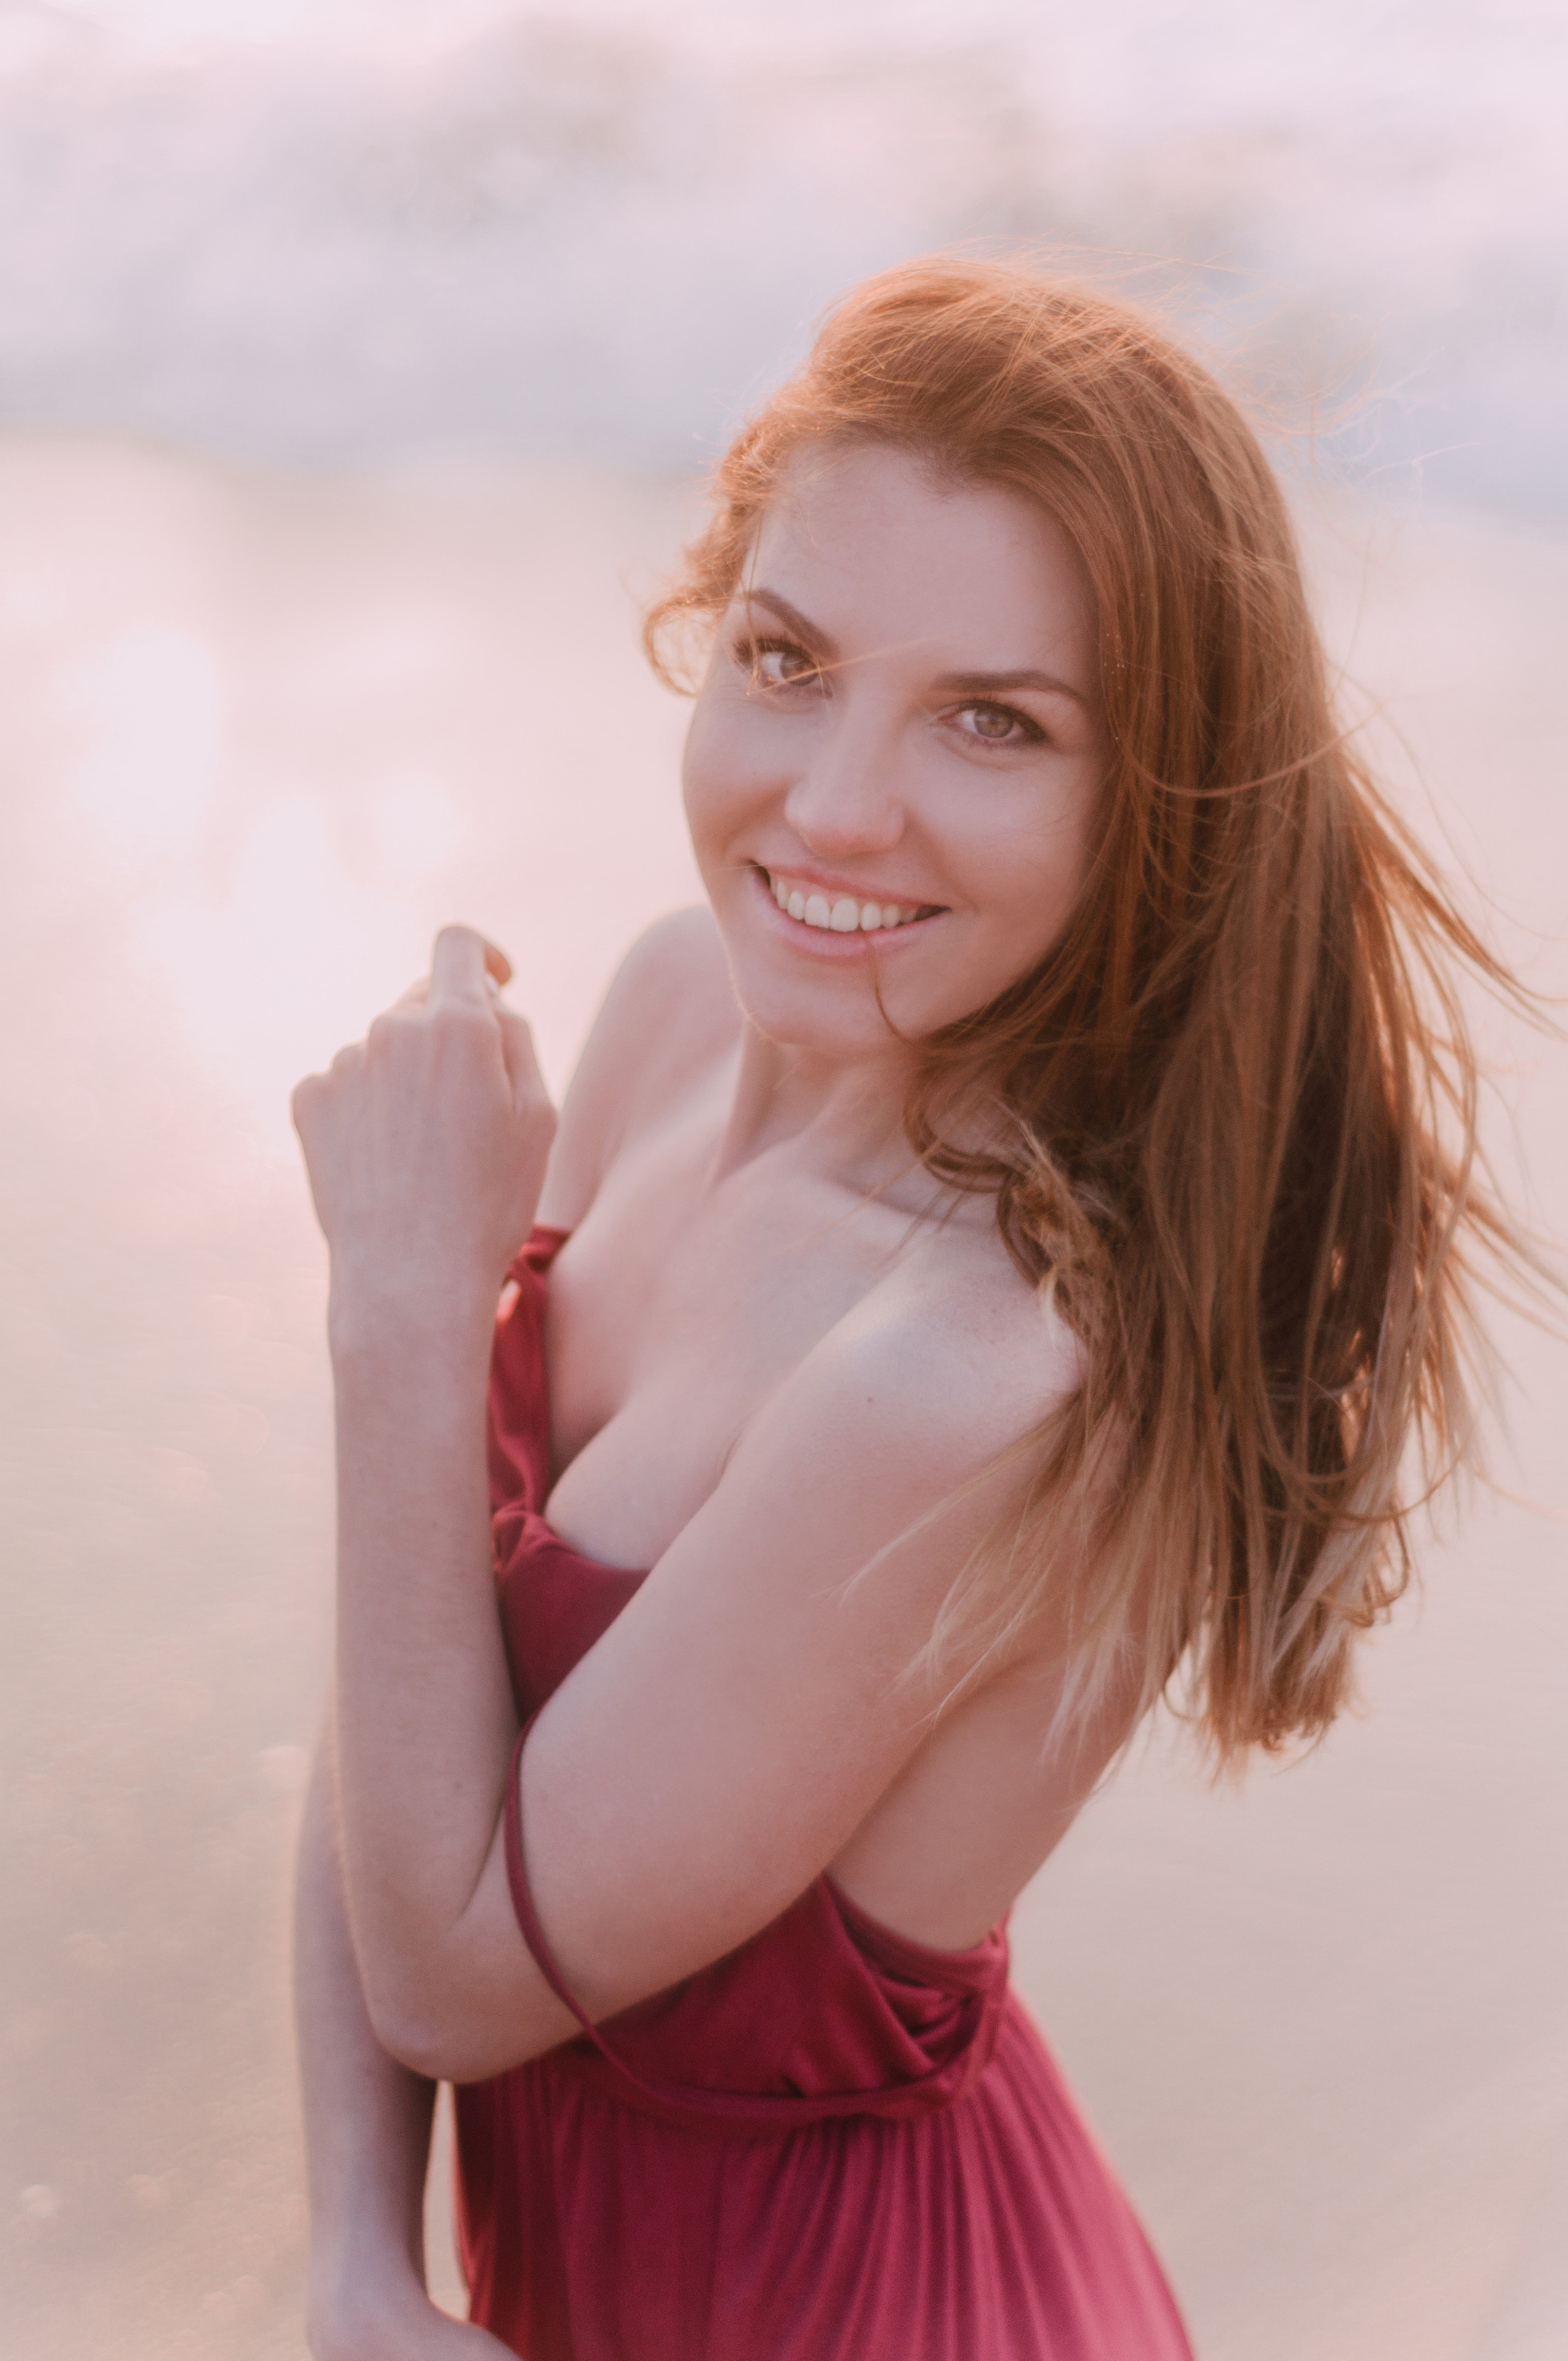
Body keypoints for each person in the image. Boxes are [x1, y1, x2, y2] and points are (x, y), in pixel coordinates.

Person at [290, 256, 1519, 2360]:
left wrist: (404, 1324)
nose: (837, 806)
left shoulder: (973, 1366)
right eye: (788, 659)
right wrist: (354, 2261)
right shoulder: (675, 1012)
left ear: (1156, 796)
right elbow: (415, 1677)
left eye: (992, 722)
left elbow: (459, 1967)